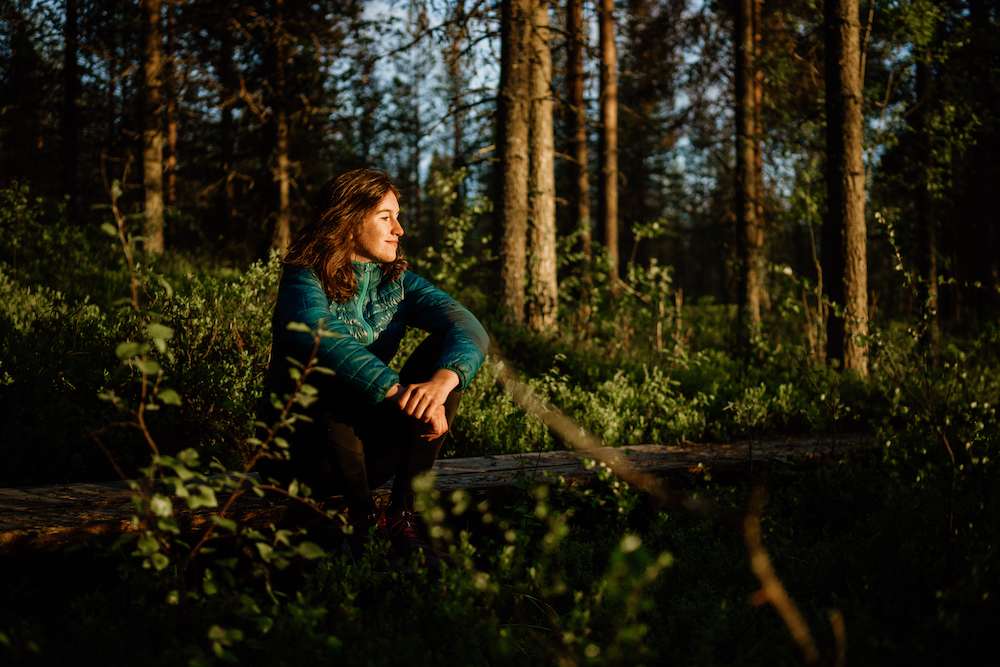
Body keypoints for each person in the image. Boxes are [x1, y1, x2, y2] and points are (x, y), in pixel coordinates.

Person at [255, 168, 488, 567]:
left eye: (398, 217)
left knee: (442, 366)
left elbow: (468, 327)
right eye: (385, 217)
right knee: (332, 368)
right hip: (299, 459)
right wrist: (395, 390)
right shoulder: (303, 278)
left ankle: (400, 516)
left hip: (362, 455)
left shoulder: (397, 283)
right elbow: (316, 334)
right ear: (347, 221)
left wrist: (440, 385)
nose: (399, 229)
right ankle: (363, 523)